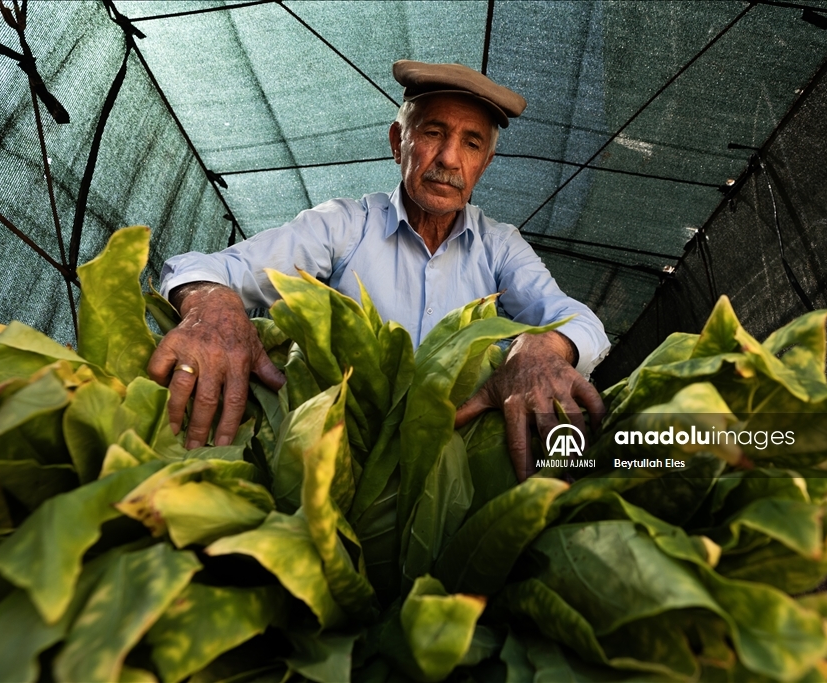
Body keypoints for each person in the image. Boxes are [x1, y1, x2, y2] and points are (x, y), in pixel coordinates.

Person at [149, 60, 611, 480]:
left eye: (471, 144)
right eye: (433, 133)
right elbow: (215, 270)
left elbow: (579, 321)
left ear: (484, 166)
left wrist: (541, 345)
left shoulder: (499, 246)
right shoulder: (344, 225)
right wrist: (212, 303)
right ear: (398, 143)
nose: (450, 159)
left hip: (450, 482)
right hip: (333, 471)